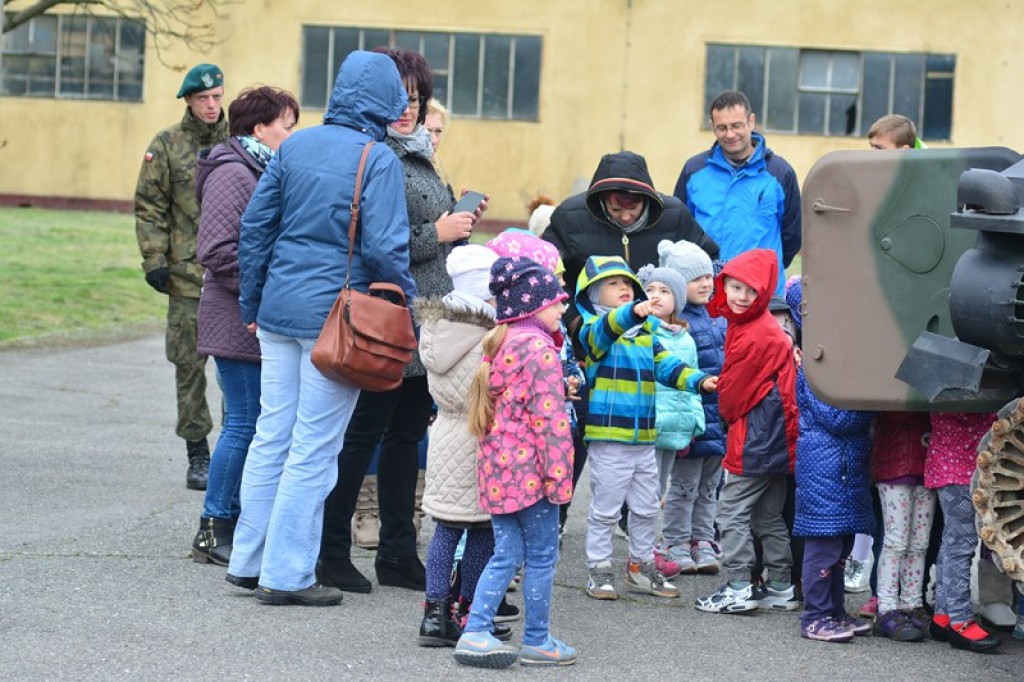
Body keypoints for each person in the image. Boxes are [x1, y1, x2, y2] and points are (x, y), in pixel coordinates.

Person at [225, 50, 417, 607]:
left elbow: (255, 230)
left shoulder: (297, 144)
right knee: (314, 447)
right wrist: (405, 305)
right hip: (337, 320)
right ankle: (287, 576)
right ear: (384, 100)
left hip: (278, 312)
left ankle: (247, 562)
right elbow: (386, 248)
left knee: (271, 436)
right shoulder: (376, 158)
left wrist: (254, 302)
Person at [319, 46, 485, 594]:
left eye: (417, 98)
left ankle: (396, 551)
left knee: (406, 436)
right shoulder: (377, 155)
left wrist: (453, 221)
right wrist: (437, 234)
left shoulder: (418, 154)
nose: (409, 108)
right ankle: (331, 551)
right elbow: (371, 243)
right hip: (389, 318)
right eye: (401, 98)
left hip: (427, 321)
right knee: (362, 436)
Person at [189, 86, 299, 566]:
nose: (291, 135)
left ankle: (228, 520)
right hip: (236, 317)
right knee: (243, 423)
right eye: (286, 125)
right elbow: (215, 250)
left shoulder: (257, 168)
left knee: (251, 424)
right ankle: (213, 528)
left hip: (252, 316)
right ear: (259, 128)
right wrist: (265, 287)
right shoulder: (233, 172)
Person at [453, 256, 577, 669]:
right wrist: (560, 480)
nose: (564, 307)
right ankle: (538, 640)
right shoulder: (540, 350)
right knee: (542, 556)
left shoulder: (503, 343)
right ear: (533, 306)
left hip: (501, 473)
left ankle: (475, 632)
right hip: (534, 476)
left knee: (506, 553)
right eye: (557, 301)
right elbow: (551, 422)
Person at [574, 255, 716, 602]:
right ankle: (599, 569)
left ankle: (640, 565)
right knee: (606, 509)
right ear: (592, 292)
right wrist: (631, 313)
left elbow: (669, 366)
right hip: (609, 437)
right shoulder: (593, 328)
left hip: (644, 438)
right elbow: (604, 332)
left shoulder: (647, 333)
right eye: (613, 284)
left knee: (647, 506)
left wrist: (700, 381)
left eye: (627, 284)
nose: (624, 289)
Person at [134, 63, 229, 490]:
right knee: (189, 367)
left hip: (231, 274)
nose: (211, 105)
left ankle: (235, 449)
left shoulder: (238, 142)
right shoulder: (168, 144)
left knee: (236, 369)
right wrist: (154, 258)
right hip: (186, 277)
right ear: (189, 100)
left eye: (216, 97)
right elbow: (150, 205)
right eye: (203, 99)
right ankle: (197, 453)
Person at [415, 244, 516, 647]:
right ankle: (472, 610)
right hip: (478, 440)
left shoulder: (440, 331)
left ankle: (435, 612)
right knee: (482, 533)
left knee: (446, 529)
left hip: (446, 436)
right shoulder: (485, 339)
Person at [694, 248, 799, 615]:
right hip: (778, 440)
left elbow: (733, 393)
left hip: (755, 438)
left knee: (732, 510)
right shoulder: (766, 328)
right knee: (768, 515)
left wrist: (724, 411)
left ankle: (739, 583)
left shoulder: (755, 333)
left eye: (749, 291)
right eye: (735, 287)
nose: (739, 297)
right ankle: (781, 585)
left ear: (763, 293)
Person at [785, 276, 875, 642]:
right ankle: (815, 617)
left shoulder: (832, 363)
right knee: (822, 550)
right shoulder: (814, 367)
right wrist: (872, 405)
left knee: (838, 549)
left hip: (841, 472)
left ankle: (835, 613)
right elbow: (839, 418)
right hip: (826, 471)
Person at [674, 90, 801, 297]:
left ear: (751, 122)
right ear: (712, 127)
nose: (730, 134)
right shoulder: (693, 170)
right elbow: (680, 230)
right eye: (722, 128)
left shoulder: (779, 173)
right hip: (707, 294)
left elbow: (793, 235)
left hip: (762, 295)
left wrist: (767, 270)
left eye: (736, 126)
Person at [659, 239, 725, 575]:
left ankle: (703, 539)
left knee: (710, 487)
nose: (705, 283)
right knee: (684, 487)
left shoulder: (716, 321)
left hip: (718, 420)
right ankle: (675, 541)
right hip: (693, 420)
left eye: (707, 277)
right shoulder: (676, 326)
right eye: (694, 278)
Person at [636, 261, 703, 579]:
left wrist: (693, 423)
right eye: (650, 290)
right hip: (649, 424)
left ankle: (651, 547)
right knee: (645, 490)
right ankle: (643, 548)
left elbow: (691, 388)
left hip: (673, 430)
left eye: (665, 291)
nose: (656, 296)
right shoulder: (641, 332)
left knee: (661, 488)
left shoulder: (685, 338)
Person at [924, 411, 1002, 652]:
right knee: (961, 544)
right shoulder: (957, 381)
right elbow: (968, 412)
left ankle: (943, 616)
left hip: (955, 464)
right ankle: (961, 621)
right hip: (958, 467)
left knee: (952, 541)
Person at [869, 411, 934, 638]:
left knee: (920, 543)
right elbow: (891, 412)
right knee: (896, 541)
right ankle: (886, 608)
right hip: (895, 462)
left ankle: (912, 603)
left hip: (925, 463)